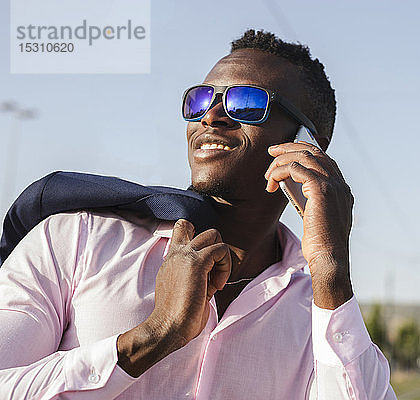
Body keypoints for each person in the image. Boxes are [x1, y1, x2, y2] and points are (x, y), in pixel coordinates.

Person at [0, 29, 396, 399]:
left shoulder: (322, 312)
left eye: (245, 102)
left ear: (308, 145)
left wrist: (330, 271)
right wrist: (154, 336)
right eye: (200, 100)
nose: (210, 117)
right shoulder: (76, 238)